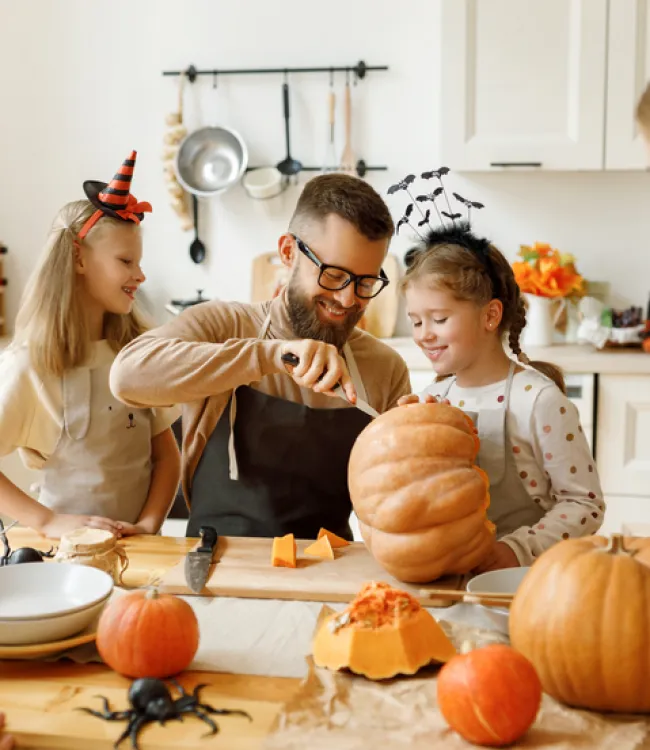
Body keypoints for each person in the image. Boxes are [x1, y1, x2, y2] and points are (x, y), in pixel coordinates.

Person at [110, 173, 411, 539]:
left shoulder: (383, 367)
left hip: (330, 569)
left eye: (365, 283)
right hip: (215, 565)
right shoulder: (222, 325)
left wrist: (423, 435)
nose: (348, 300)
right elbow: (127, 377)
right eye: (334, 274)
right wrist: (270, 356)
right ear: (288, 252)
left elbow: (399, 502)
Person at [395, 170, 604, 571]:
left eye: (438, 318)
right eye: (416, 321)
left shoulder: (540, 401)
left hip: (524, 581)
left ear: (491, 315)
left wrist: (512, 551)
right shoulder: (437, 397)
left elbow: (585, 505)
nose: (424, 335)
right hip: (453, 573)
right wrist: (410, 433)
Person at [0, 151, 181, 539]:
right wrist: (46, 522)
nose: (140, 274)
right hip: (67, 560)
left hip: (138, 551)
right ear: (79, 259)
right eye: (126, 261)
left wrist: (149, 525)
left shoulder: (137, 354)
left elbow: (166, 456)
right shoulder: (30, 365)